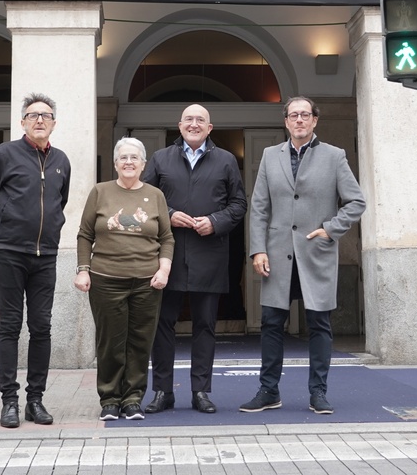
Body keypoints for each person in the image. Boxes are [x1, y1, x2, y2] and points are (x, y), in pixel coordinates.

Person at [242, 96, 366, 415]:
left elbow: (355, 202)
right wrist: (257, 249)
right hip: (277, 254)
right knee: (271, 323)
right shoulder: (271, 156)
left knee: (319, 323)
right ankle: (268, 390)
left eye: (305, 115)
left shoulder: (334, 156)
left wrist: (330, 228)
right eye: (293, 115)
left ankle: (318, 392)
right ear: (286, 121)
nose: (299, 120)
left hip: (315, 252)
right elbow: (259, 208)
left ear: (314, 121)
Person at [142, 104, 247, 415]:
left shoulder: (226, 160)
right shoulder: (161, 158)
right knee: (163, 324)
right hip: (167, 254)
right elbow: (145, 198)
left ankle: (201, 391)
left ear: (210, 128)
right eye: (189, 119)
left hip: (210, 252)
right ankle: (162, 391)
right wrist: (170, 215)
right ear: (179, 125)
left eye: (200, 120)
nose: (194, 124)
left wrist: (216, 221)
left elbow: (239, 203)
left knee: (205, 326)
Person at [0, 93, 71, 428]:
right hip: (10, 253)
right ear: (22, 122)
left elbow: (60, 202)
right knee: (10, 326)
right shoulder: (4, 154)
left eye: (46, 115)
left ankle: (35, 400)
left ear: (54, 123)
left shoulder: (61, 160)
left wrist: (53, 234)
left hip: (45, 255)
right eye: (33, 115)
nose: (40, 120)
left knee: (41, 327)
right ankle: (9, 401)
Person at [75, 138, 174, 421]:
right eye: (123, 157)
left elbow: (166, 237)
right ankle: (109, 398)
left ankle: (132, 399)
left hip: (147, 281)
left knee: (140, 342)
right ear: (115, 163)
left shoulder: (155, 195)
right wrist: (83, 269)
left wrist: (163, 270)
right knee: (110, 343)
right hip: (106, 278)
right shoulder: (100, 192)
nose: (129, 162)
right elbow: (85, 234)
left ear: (143, 164)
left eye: (135, 158)